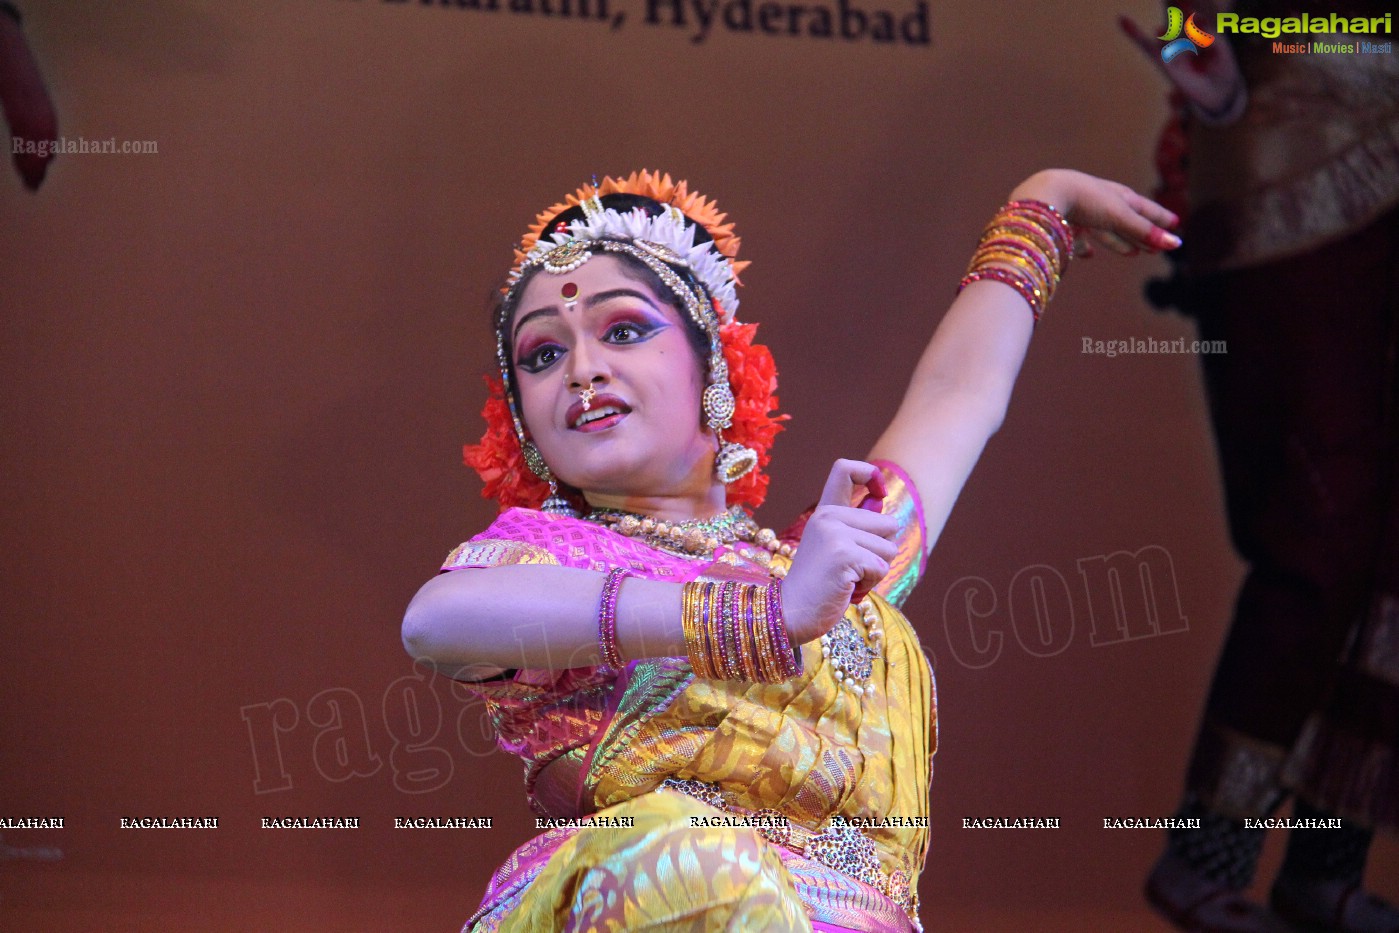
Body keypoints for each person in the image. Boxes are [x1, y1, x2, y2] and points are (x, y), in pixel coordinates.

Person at [402, 168, 1178, 932]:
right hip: (658, 896)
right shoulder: (543, 558)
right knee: (698, 863)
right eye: (540, 355)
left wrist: (1045, 205)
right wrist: (762, 614)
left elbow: (958, 397)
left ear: (712, 362)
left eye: (624, 329)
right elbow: (436, 623)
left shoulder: (831, 566)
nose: (582, 369)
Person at [1121, 2, 1399, 930]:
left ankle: (1325, 864)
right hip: (1284, 185)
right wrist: (1210, 75)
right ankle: (1206, 854)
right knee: (1319, 530)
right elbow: (1193, 23)